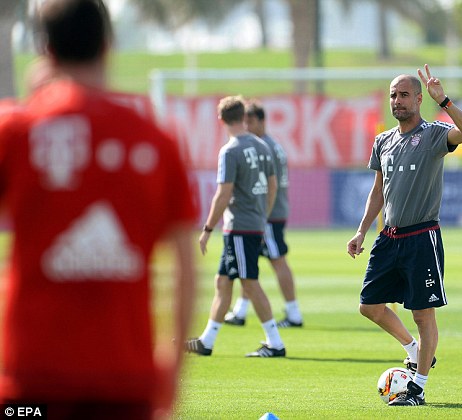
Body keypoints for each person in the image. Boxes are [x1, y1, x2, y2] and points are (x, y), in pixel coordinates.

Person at [0, 1, 197, 419]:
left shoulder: (16, 132)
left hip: (31, 379)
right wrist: (171, 375)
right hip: (125, 381)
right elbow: (185, 265)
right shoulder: (156, 140)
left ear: (46, 51)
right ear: (108, 46)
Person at [347, 65, 462, 406]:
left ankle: (417, 387)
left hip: (422, 237)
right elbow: (378, 191)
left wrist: (444, 100)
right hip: (388, 239)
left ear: (419, 99)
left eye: (404, 94)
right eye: (393, 95)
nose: (397, 100)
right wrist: (361, 231)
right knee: (369, 306)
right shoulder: (383, 141)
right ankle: (413, 349)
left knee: (423, 314)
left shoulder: (434, 135)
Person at [185, 95, 287, 358]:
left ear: (221, 119)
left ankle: (275, 343)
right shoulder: (261, 146)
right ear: (243, 116)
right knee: (223, 281)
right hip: (249, 224)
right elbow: (273, 185)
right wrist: (262, 215)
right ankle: (207, 341)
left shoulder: (230, 151)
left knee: (250, 283)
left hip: (240, 226)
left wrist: (207, 229)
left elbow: (223, 193)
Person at [224, 100, 304, 328]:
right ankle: (240, 311)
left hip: (267, 213)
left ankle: (293, 313)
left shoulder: (262, 146)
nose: (246, 126)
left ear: (261, 120)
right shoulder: (270, 144)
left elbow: (266, 184)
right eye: (244, 121)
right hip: (270, 211)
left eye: (249, 121)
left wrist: (261, 212)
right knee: (248, 262)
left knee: (277, 261)